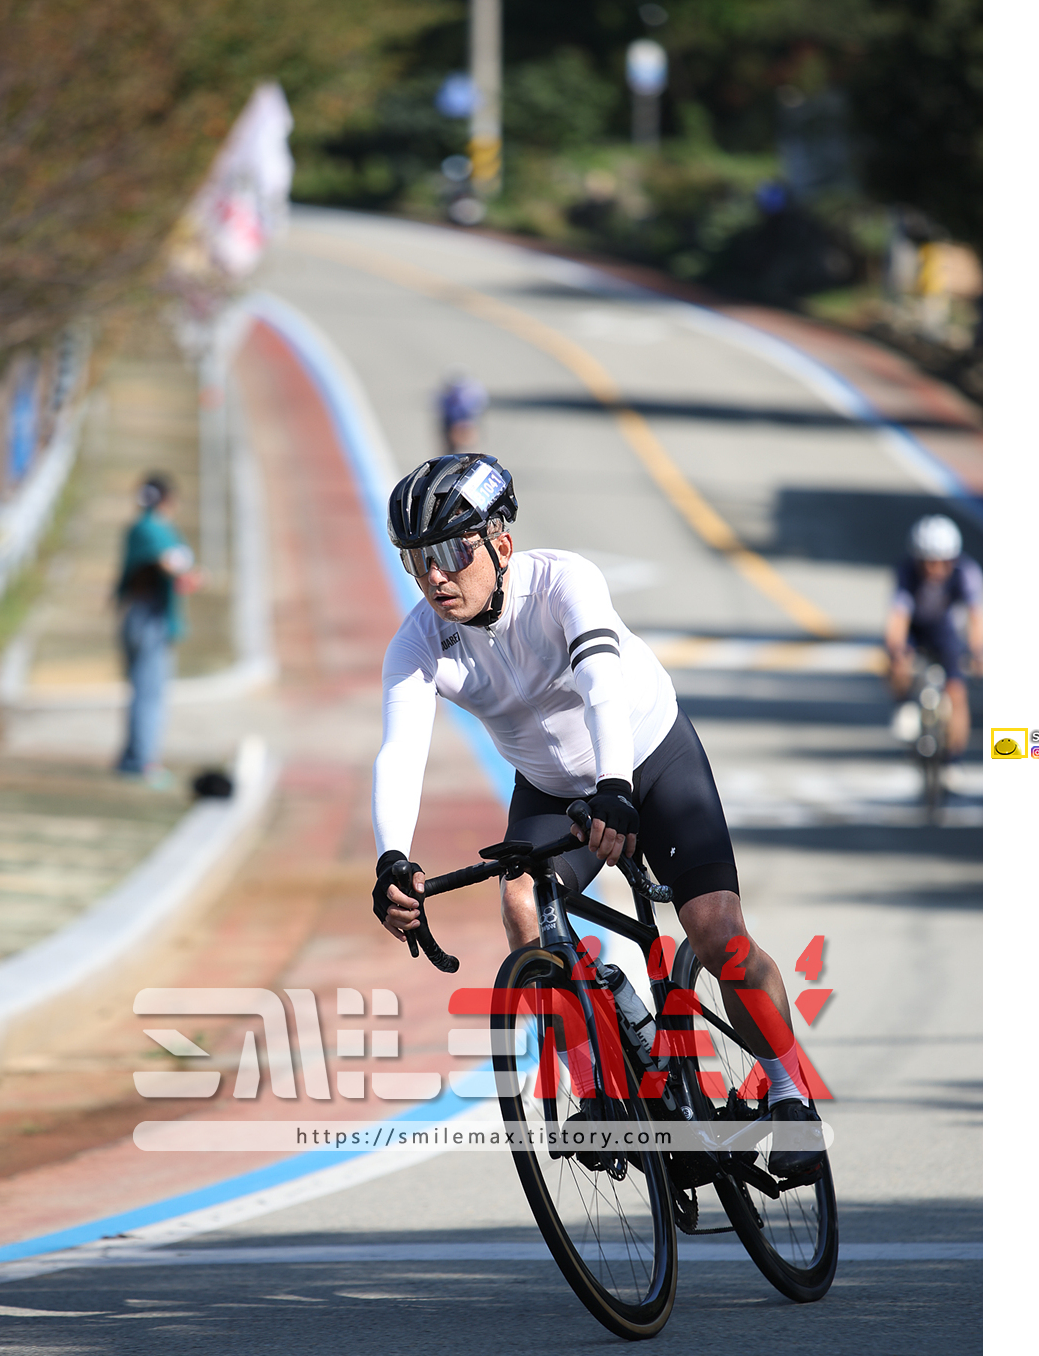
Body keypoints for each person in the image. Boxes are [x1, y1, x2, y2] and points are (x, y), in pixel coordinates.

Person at [369, 453, 824, 1182]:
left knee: (715, 930)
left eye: (451, 553)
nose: (434, 577)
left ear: (500, 544)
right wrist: (393, 859)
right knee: (523, 906)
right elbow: (400, 752)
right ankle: (598, 1094)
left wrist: (616, 786)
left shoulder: (564, 583)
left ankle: (789, 1090)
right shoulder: (420, 640)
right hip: (553, 791)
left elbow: (602, 688)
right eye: (415, 560)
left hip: (649, 757)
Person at [113, 472, 201, 787]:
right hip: (149, 618)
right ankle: (143, 762)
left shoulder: (140, 527)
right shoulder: (154, 528)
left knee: (141, 690)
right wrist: (190, 576)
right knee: (150, 694)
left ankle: (131, 757)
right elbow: (170, 565)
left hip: (136, 615)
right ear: (168, 499)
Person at [883, 515, 982, 759]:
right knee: (897, 662)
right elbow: (898, 616)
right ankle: (903, 705)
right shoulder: (906, 572)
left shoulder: (966, 573)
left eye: (942, 562)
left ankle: (953, 758)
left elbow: (976, 616)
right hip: (915, 628)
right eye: (928, 562)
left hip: (945, 630)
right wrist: (896, 649)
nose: (934, 569)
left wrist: (978, 651)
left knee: (957, 693)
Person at [437, 371, 488, 452]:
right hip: (453, 422)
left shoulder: (473, 392)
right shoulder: (446, 395)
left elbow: (478, 406)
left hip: (467, 420)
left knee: (470, 445)